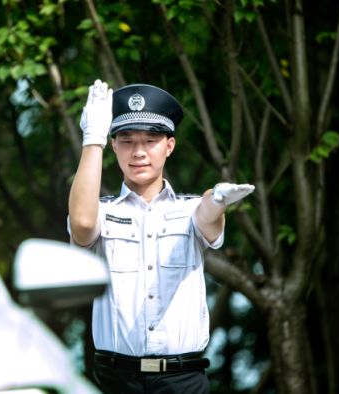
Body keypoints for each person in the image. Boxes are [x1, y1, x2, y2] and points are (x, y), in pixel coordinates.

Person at [67, 79, 254, 393]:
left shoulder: (190, 209)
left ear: (169, 145)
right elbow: (82, 223)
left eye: (151, 140)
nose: (138, 152)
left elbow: (207, 214)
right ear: (114, 146)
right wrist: (92, 140)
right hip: (117, 379)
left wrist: (217, 199)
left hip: (183, 380)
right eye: (126, 140)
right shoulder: (101, 212)